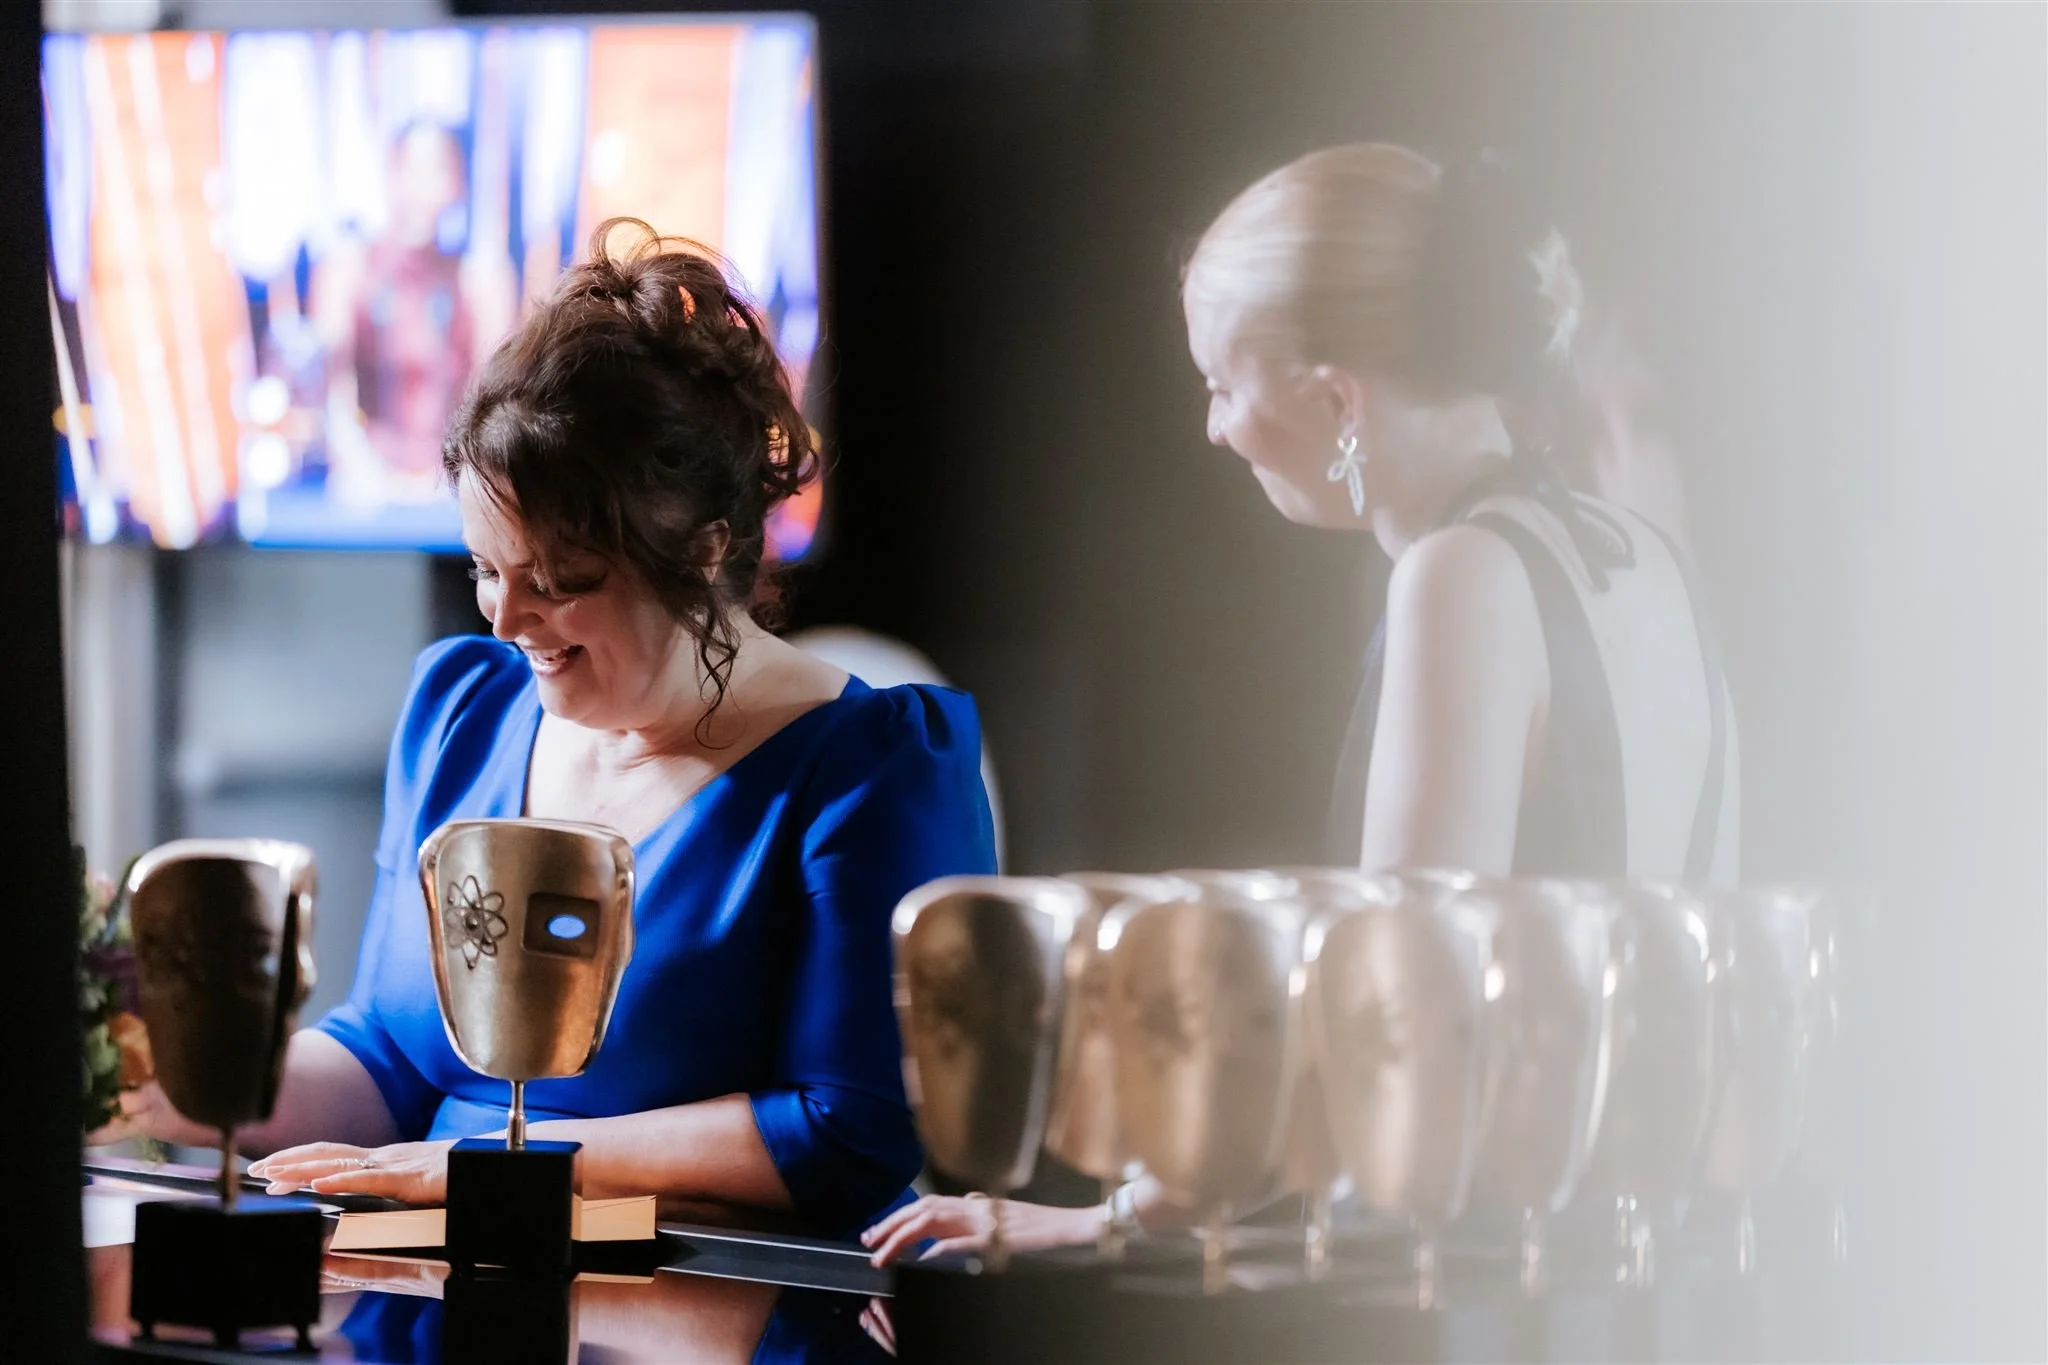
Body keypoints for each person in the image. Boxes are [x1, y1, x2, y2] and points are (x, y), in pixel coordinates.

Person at [865, 142, 1739, 1264]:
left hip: (1484, 1283)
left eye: (1223, 383)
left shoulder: (1458, 575)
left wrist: (1101, 1222)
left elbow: (1391, 1037)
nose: (1214, 427)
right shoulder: (1642, 554)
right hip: (1652, 1262)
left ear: (1336, 399)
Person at [114, 219, 998, 1238]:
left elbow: (850, 1133)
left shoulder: (872, 768)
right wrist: (166, 1076)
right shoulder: (460, 711)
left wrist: (504, 1166)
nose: (502, 617)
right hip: (431, 1273)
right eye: (485, 570)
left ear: (704, 548)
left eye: (558, 582)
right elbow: (393, 1062)